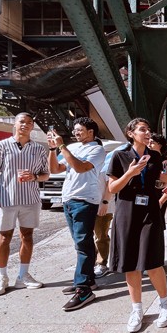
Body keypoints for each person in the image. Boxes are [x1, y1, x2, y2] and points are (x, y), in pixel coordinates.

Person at [108, 119, 167, 333]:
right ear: (131, 133)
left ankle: (165, 302)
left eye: (149, 129)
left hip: (150, 211)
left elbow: (166, 182)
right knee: (130, 263)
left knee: (152, 261)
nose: (147, 133)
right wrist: (130, 173)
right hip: (126, 212)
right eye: (142, 129)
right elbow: (112, 188)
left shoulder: (155, 157)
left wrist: (165, 181)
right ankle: (137, 309)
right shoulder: (120, 156)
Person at [0, 112, 49, 296]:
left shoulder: (39, 149)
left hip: (30, 199)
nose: (25, 125)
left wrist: (34, 176)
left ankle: (23, 275)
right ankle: (1, 277)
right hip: (7, 200)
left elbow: (45, 174)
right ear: (15, 123)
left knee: (27, 236)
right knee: (4, 237)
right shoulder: (1, 146)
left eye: (29, 122)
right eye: (22, 121)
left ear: (32, 126)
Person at [48, 117, 106, 311]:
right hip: (68, 200)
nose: (76, 133)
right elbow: (56, 169)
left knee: (82, 242)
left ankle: (83, 289)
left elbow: (81, 168)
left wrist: (62, 146)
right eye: (75, 130)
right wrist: (52, 149)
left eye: (80, 130)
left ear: (91, 132)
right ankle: (88, 280)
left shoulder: (96, 149)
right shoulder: (73, 147)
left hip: (85, 200)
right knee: (81, 242)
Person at [93, 169, 115, 279]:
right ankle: (91, 262)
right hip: (88, 204)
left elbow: (110, 184)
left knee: (101, 235)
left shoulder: (105, 163)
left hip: (103, 206)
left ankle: (101, 264)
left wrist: (105, 202)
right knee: (87, 237)